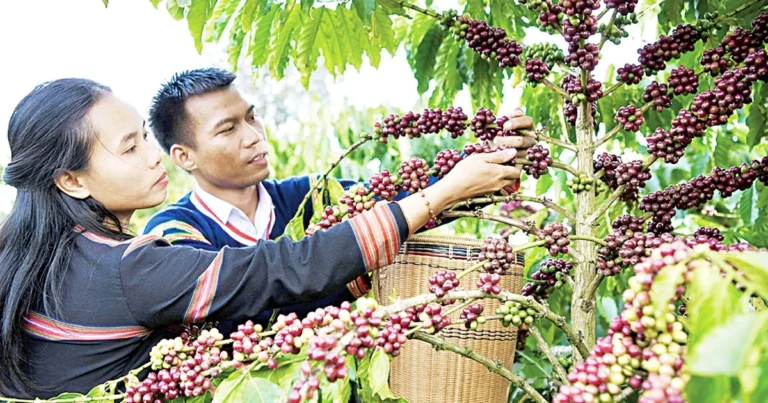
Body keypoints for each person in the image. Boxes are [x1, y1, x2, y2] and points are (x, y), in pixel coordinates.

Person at [0, 78, 524, 398]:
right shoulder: (141, 259)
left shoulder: (52, 252)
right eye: (130, 147)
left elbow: (386, 200)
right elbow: (282, 270)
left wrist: (480, 170)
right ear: (71, 180)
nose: (151, 155)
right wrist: (442, 194)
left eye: (143, 136)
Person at [142, 68, 537, 322]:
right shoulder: (174, 234)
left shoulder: (313, 196)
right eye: (227, 129)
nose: (254, 136)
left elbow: (406, 198)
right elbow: (238, 308)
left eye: (251, 117)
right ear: (184, 156)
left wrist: (495, 157)